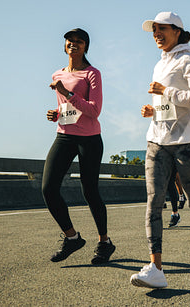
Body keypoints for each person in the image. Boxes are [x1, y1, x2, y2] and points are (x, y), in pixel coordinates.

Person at [131, 12, 190, 289]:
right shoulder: (159, 64)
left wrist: (166, 92)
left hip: (187, 142)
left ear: (177, 31)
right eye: (154, 31)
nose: (156, 34)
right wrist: (154, 110)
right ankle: (156, 268)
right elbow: (167, 104)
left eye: (161, 29)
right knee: (153, 203)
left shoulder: (189, 59)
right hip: (157, 140)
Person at [42, 28, 115, 265]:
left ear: (86, 47)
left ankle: (104, 242)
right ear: (64, 46)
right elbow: (68, 109)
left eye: (79, 41)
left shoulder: (92, 74)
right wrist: (56, 113)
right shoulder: (57, 73)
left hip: (89, 138)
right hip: (64, 135)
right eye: (70, 41)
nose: (73, 44)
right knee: (48, 188)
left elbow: (94, 111)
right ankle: (72, 237)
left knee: (90, 191)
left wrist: (67, 92)